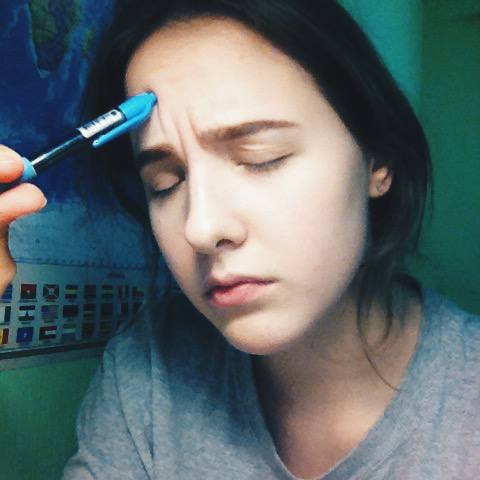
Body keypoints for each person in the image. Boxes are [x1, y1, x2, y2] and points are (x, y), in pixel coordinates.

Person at [1, 1, 478, 478]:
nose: (201, 228)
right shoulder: (147, 372)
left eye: (260, 157)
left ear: (378, 160)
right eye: (165, 183)